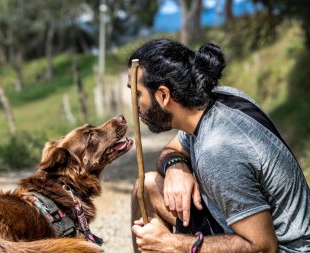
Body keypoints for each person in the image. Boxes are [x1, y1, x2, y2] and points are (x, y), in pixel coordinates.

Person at [128, 39, 310, 253]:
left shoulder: (217, 149)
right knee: (148, 185)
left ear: (164, 95)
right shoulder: (216, 101)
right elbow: (173, 149)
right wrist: (177, 166)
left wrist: (172, 244)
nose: (135, 106)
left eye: (136, 94)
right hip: (249, 234)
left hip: (286, 249)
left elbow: (263, 246)